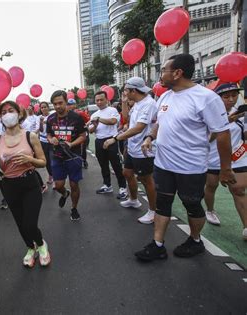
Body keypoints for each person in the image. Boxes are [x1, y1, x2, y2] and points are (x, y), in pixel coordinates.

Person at [135, 54, 236, 261]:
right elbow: (160, 123)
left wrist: (225, 169)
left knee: (192, 205)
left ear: (178, 73)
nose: (160, 74)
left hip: (191, 167)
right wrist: (149, 137)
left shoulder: (206, 98)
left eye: (163, 70)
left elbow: (223, 135)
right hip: (163, 164)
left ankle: (195, 240)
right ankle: (158, 244)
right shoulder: (165, 96)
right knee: (162, 203)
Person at [0, 101, 51, 267]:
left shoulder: (30, 136)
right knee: (20, 222)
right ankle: (30, 248)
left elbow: (43, 162)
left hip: (29, 182)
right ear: (1, 118)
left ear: (19, 113)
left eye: (11, 110)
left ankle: (41, 244)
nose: (7, 114)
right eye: (3, 112)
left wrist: (29, 159)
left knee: (30, 223)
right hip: (8, 185)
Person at [103, 77, 158, 224]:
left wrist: (116, 139)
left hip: (144, 150)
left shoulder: (149, 104)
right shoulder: (138, 103)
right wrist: (123, 101)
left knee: (147, 180)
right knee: (127, 173)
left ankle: (153, 212)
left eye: (127, 90)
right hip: (133, 147)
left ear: (134, 90)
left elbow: (139, 127)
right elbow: (126, 119)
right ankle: (133, 200)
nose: (125, 92)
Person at [204, 83, 247, 240]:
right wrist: (223, 123)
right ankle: (210, 210)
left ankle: (246, 227)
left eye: (234, 95)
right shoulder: (207, 115)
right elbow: (206, 140)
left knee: (239, 190)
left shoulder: (241, 114)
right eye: (226, 96)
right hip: (214, 159)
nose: (231, 99)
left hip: (238, 158)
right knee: (211, 186)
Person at [47, 90, 86, 221]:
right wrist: (50, 139)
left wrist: (71, 144)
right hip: (57, 156)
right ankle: (65, 193)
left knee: (74, 184)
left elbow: (83, 136)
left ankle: (74, 208)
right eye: (54, 104)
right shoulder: (51, 118)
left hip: (73, 156)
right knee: (58, 185)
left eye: (60, 103)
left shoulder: (76, 118)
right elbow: (48, 134)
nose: (57, 106)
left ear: (66, 102)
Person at [89, 91, 127, 199]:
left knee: (116, 165)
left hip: (112, 140)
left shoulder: (112, 110)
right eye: (97, 100)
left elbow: (113, 121)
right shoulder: (94, 114)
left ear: (107, 100)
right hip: (99, 141)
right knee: (103, 165)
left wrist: (99, 120)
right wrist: (95, 125)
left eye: (101, 99)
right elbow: (91, 130)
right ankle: (107, 185)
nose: (99, 102)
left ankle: (123, 188)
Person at [39, 102, 54, 187]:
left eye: (45, 107)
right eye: (42, 107)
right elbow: (40, 130)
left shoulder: (52, 116)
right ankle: (50, 176)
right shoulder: (40, 117)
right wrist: (41, 122)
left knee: (53, 160)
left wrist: (48, 122)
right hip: (43, 141)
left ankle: (55, 178)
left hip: (51, 140)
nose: (43, 109)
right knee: (47, 160)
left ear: (48, 108)